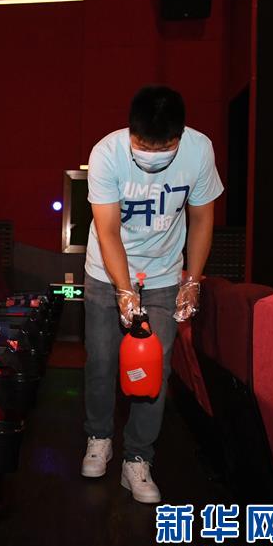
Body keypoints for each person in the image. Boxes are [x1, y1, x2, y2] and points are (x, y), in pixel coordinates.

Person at [81, 85, 223, 503]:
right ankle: (98, 437)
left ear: (179, 136)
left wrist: (192, 279)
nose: (153, 154)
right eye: (144, 145)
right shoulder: (107, 154)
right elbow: (108, 230)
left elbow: (202, 219)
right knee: (103, 360)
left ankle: (138, 458)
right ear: (131, 132)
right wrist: (124, 290)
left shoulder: (199, 151)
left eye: (164, 147)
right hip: (105, 271)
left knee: (153, 367)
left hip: (162, 274)